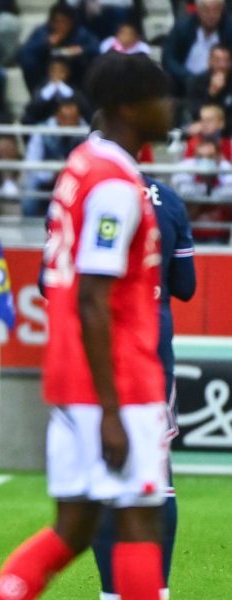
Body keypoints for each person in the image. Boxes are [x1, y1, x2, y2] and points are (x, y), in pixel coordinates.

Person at [0, 52, 174, 600]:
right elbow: (94, 296)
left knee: (75, 527)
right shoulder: (115, 184)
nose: (170, 107)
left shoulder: (82, 163)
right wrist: (112, 411)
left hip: (71, 377)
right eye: (161, 96)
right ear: (129, 107)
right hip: (116, 378)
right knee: (140, 519)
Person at [91, 175, 196, 600]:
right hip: (151, 349)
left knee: (104, 474)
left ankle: (111, 593)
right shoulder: (168, 199)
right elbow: (186, 287)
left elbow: (50, 280)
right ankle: (158, 590)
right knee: (157, 474)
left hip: (98, 348)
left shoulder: (82, 191)